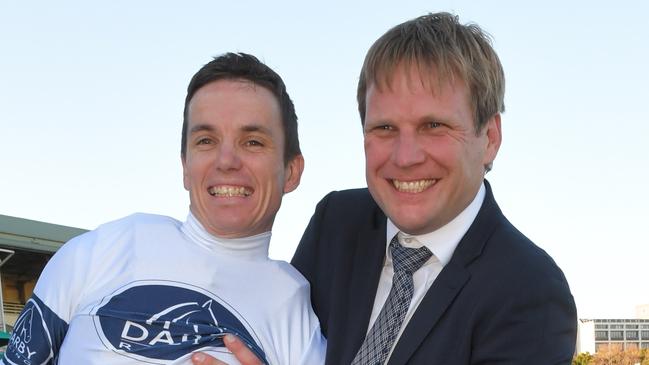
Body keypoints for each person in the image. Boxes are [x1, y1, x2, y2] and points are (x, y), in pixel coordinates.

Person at [193, 12, 577, 365]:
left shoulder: (530, 293)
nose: (406, 157)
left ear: (489, 138)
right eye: (385, 128)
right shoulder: (338, 223)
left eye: (434, 126)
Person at [1, 53, 325, 365]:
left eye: (252, 141)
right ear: (186, 166)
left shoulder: (294, 309)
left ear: (291, 172)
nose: (226, 161)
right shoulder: (102, 249)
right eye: (206, 141)